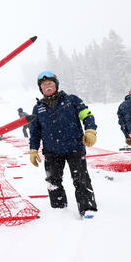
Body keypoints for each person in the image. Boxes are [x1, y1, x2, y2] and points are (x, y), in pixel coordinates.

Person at [28, 71, 98, 219]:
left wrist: (91, 130)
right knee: (53, 182)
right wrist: (33, 149)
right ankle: (59, 210)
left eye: (50, 83)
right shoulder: (38, 108)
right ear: (41, 88)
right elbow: (35, 132)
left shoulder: (71, 100)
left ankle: (88, 209)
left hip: (75, 148)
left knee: (81, 179)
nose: (47, 86)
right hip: (52, 151)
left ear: (56, 85)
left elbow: (87, 115)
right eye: (44, 84)